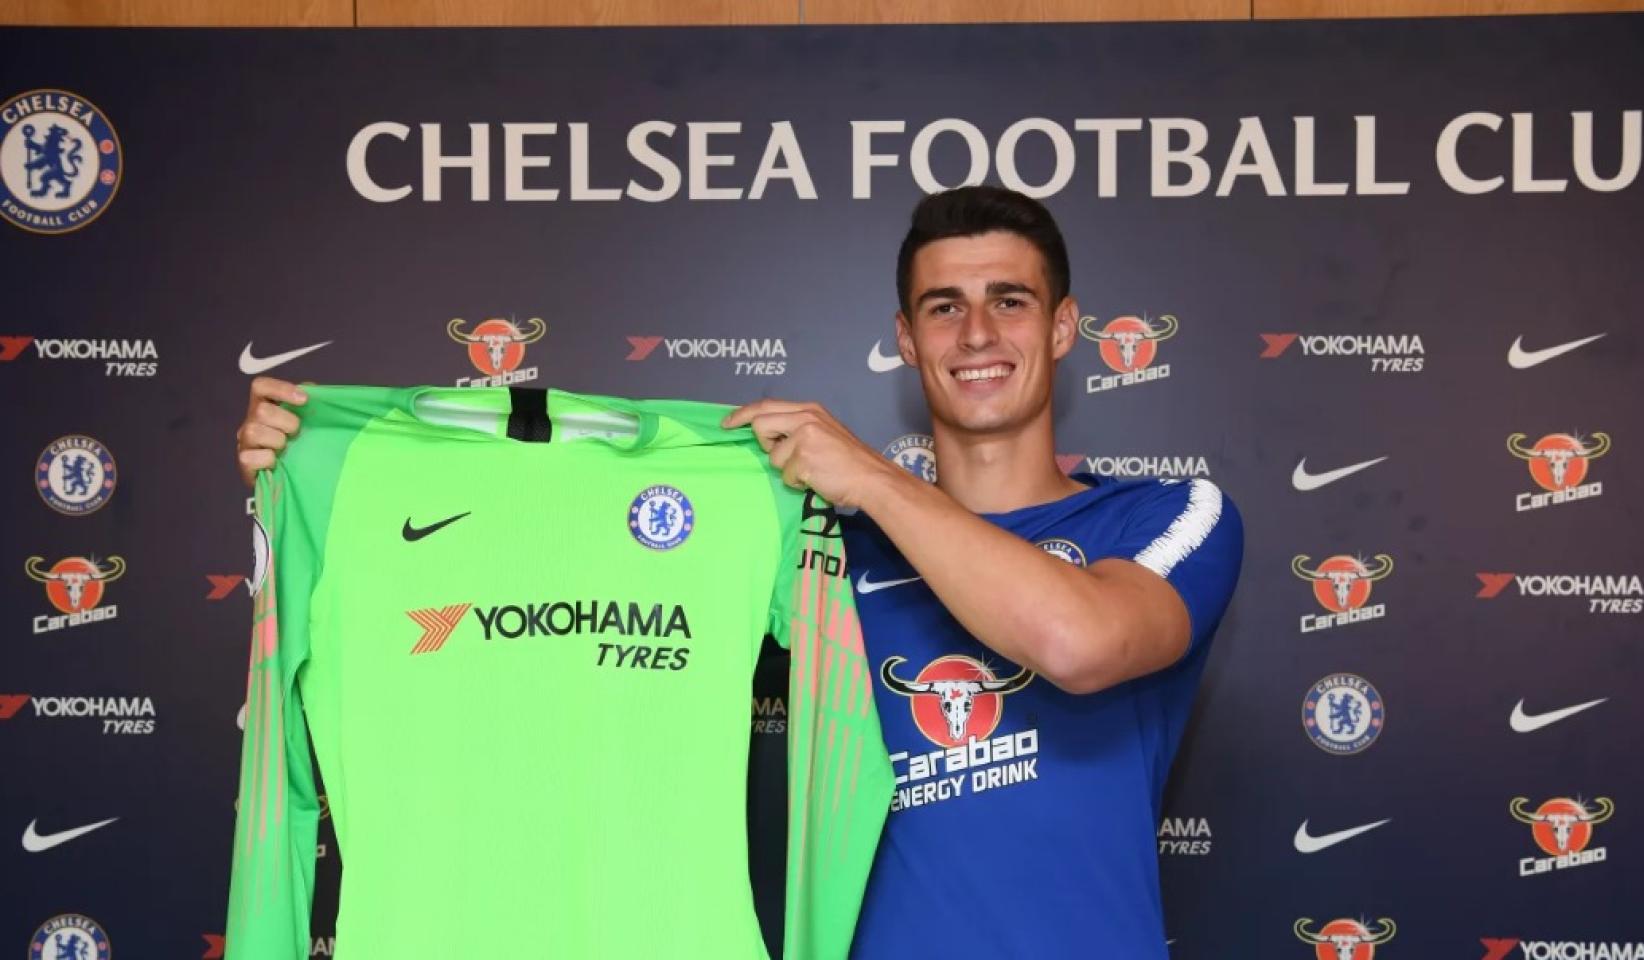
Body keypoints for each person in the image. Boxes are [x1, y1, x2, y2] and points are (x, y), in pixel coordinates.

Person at [236, 185, 1242, 958]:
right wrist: (323, 497)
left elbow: (1078, 641)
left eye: (1007, 301)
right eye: (943, 307)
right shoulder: (820, 542)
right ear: (905, 340)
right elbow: (555, 608)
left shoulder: (1165, 515)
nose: (975, 334)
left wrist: (876, 481)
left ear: (1063, 327)